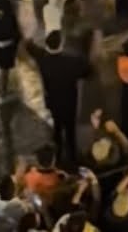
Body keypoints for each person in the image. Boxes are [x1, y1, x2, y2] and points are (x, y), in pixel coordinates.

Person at [35, 26, 90, 167]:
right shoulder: (71, 62)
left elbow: (32, 49)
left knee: (57, 129)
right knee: (70, 130)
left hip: (53, 102)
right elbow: (86, 71)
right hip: (69, 101)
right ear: (61, 44)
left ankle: (57, 158)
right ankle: (73, 157)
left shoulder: (43, 61)